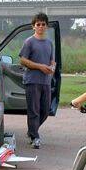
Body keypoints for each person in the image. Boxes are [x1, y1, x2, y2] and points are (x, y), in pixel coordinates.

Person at [19, 12, 56, 149]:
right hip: (32, 81)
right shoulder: (29, 42)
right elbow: (22, 60)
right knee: (33, 110)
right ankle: (35, 137)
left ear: (46, 26)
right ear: (33, 26)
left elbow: (52, 60)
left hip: (46, 81)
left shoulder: (49, 43)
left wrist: (52, 67)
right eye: (38, 24)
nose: (41, 26)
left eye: (43, 24)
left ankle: (31, 131)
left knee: (45, 110)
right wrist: (40, 67)